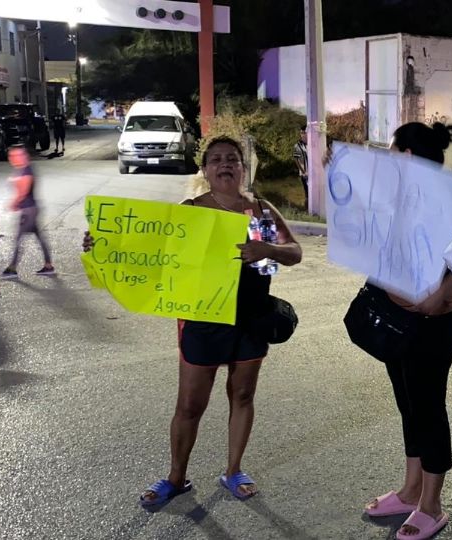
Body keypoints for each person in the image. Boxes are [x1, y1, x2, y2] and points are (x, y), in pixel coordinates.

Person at [83, 137, 303, 506]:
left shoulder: (261, 211)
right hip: (203, 319)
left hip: (251, 318)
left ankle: (233, 470)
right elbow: (147, 249)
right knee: (189, 406)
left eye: (232, 158)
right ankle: (176, 477)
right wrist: (102, 244)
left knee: (243, 395)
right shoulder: (192, 211)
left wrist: (267, 250)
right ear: (205, 171)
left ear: (243, 168)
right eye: (216, 159)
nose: (225, 164)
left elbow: (293, 252)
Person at [362, 122, 452, 540]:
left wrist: (437, 297)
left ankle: (432, 504)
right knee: (409, 407)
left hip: (432, 324)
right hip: (398, 321)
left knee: (428, 409)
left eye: (391, 150)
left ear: (405, 154)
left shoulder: (444, 198)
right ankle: (409, 490)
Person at [0, 145, 54, 279]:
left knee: (18, 239)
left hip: (28, 210)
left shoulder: (26, 171)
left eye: (16, 155)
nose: (12, 158)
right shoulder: (22, 169)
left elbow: (23, 193)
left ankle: (12, 268)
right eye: (11, 155)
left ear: (25, 156)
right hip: (31, 208)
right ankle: (48, 265)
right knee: (40, 238)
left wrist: (13, 204)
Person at [292, 126, 309, 202]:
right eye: (301, 133)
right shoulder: (297, 146)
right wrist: (303, 172)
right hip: (304, 173)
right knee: (307, 192)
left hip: (314, 173)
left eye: (304, 133)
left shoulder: (312, 144)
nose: (303, 135)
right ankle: (308, 209)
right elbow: (296, 159)